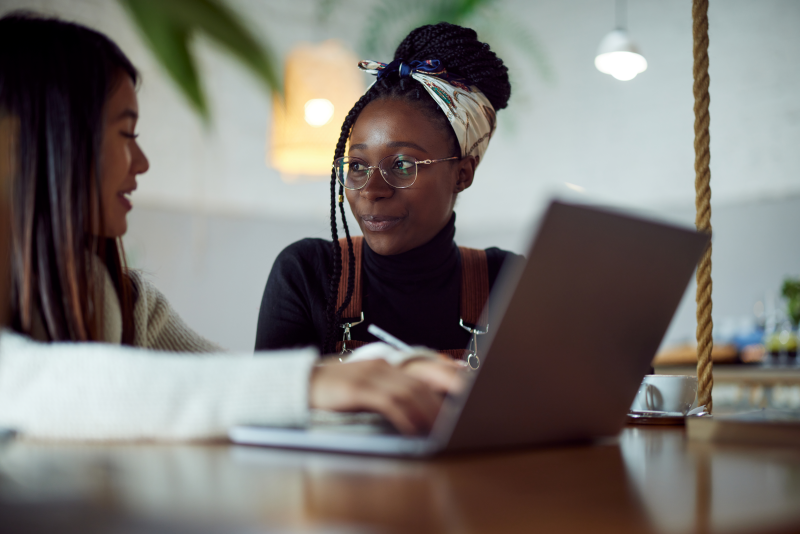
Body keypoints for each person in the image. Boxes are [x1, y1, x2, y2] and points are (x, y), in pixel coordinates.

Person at [0, 12, 462, 440]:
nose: (141, 162)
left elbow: (228, 386)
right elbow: (30, 383)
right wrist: (309, 382)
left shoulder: (120, 302)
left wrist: (391, 375)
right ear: (29, 140)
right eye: (126, 134)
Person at [255, 23, 522, 362]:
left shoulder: (507, 284)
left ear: (462, 173)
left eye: (402, 165)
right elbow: (272, 407)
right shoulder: (308, 274)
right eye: (357, 165)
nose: (371, 190)